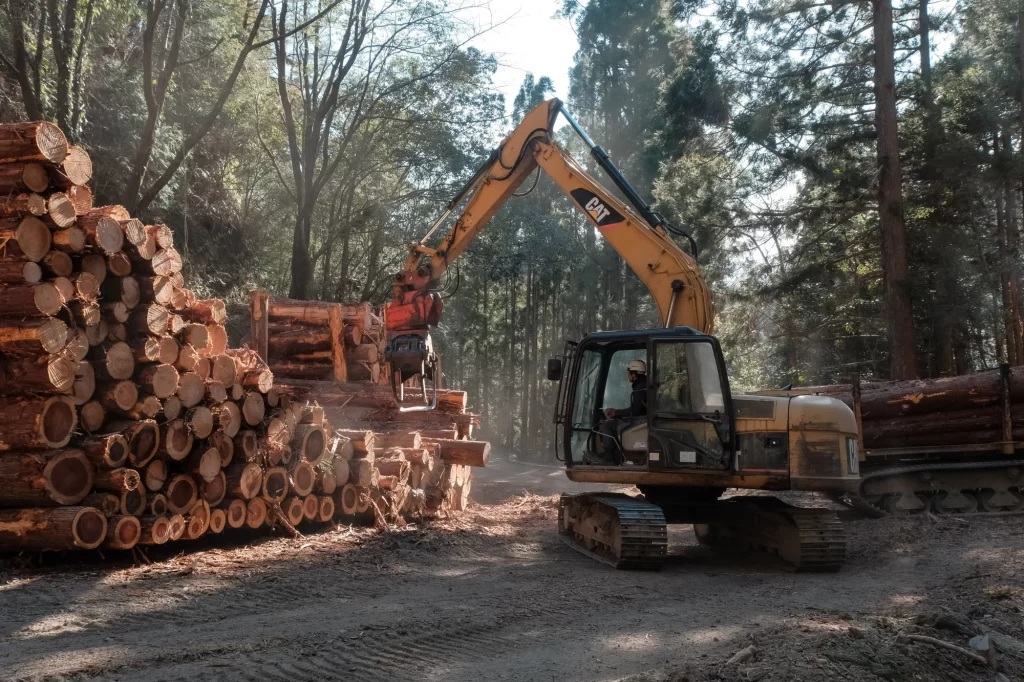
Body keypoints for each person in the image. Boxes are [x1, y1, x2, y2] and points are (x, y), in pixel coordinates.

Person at [587, 359, 648, 465]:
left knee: (606, 425)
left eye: (629, 373)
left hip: (638, 420)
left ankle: (608, 458)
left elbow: (635, 411)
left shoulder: (640, 388)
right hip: (642, 418)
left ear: (634, 374)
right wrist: (619, 413)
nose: (628, 375)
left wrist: (616, 413)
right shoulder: (645, 385)